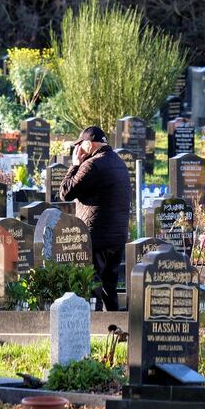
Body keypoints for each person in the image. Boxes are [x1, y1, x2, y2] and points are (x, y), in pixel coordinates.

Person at [59, 126, 131, 310]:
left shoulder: (91, 165)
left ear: (89, 144)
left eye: (80, 145)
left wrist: (75, 164)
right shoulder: (118, 162)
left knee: (93, 288)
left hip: (96, 237)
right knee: (110, 288)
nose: (78, 150)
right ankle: (115, 329)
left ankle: (95, 328)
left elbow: (65, 192)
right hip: (117, 237)